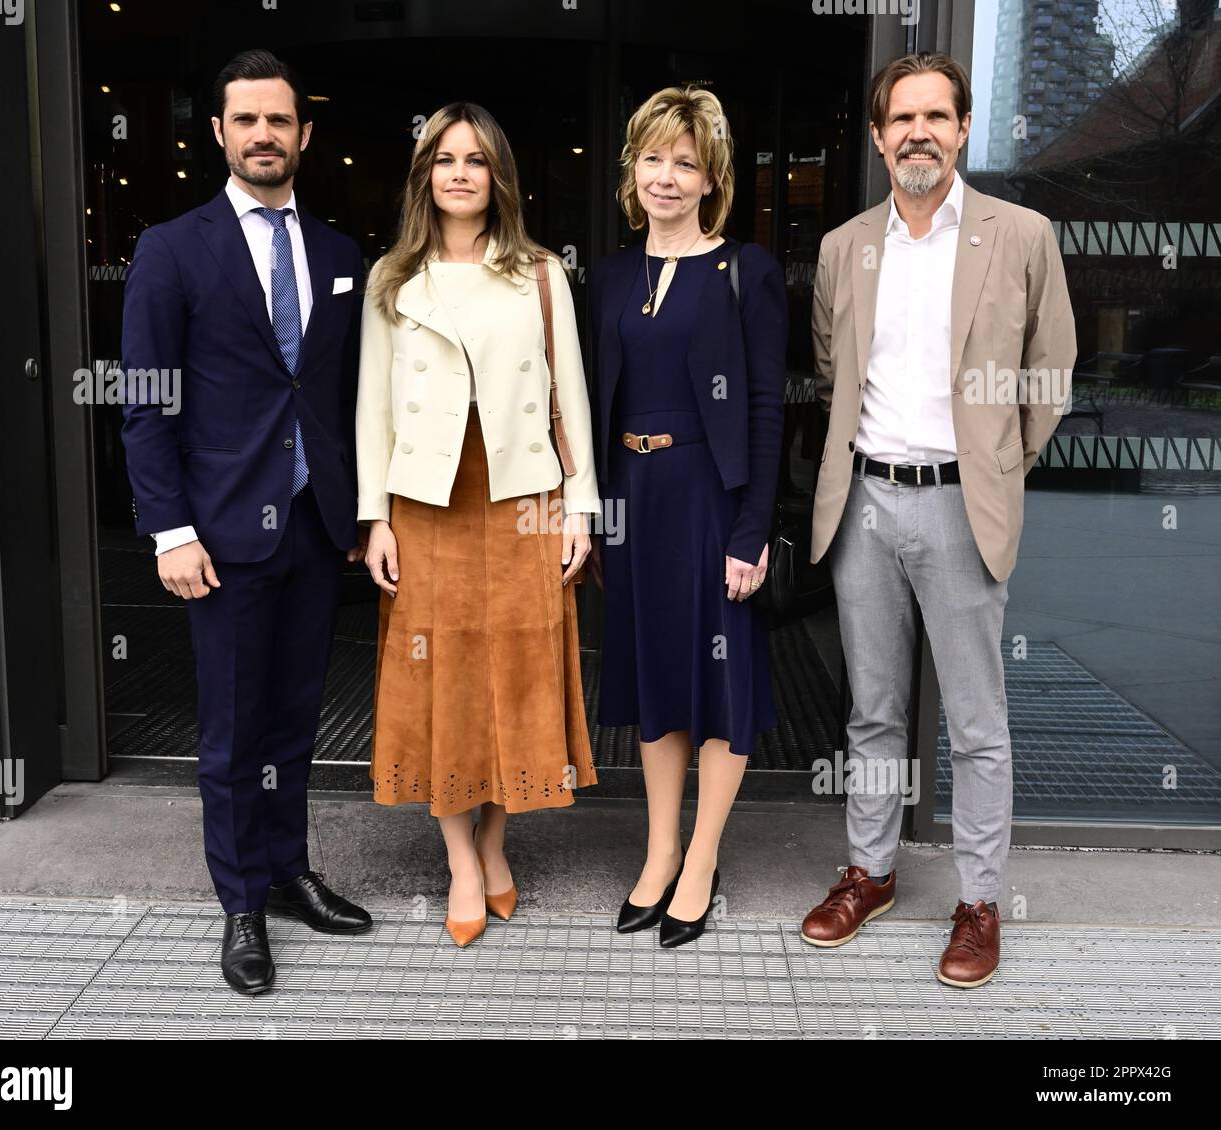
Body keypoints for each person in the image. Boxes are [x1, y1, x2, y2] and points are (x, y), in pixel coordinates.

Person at [803, 52, 1075, 988]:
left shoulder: (1022, 234)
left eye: (936, 116)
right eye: (901, 119)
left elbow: (1049, 375)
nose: (918, 132)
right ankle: (870, 874)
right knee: (873, 712)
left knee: (975, 722)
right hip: (867, 505)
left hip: (964, 501)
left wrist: (996, 470)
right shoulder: (845, 248)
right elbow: (836, 374)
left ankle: (979, 902)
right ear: (879, 138)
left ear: (961, 129)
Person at [120, 49, 373, 995]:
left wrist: (358, 511)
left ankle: (287, 868)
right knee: (231, 729)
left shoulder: (342, 254)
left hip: (313, 527)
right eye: (247, 121)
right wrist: (167, 531)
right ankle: (239, 904)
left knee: (296, 715)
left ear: (303, 135)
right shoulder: (170, 248)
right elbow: (145, 402)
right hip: (219, 536)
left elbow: (341, 394)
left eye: (281, 120)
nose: (265, 135)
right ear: (221, 134)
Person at [356, 102, 601, 948]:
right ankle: (463, 860)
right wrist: (373, 519)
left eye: (476, 160)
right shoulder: (392, 279)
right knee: (443, 683)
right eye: (444, 159)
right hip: (424, 504)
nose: (459, 172)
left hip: (522, 498)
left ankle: (496, 843)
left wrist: (581, 507)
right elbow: (371, 413)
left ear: (500, 176)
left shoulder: (538, 272)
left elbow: (569, 396)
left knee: (521, 675)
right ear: (425, 175)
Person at [589, 86, 787, 948]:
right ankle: (659, 851)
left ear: (711, 179)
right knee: (657, 681)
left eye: (686, 162)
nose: (667, 177)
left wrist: (751, 534)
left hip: (710, 499)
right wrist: (592, 517)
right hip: (633, 502)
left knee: (721, 682)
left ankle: (702, 859)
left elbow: (768, 408)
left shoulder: (746, 270)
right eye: (653, 159)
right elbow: (586, 399)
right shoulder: (610, 274)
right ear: (632, 171)